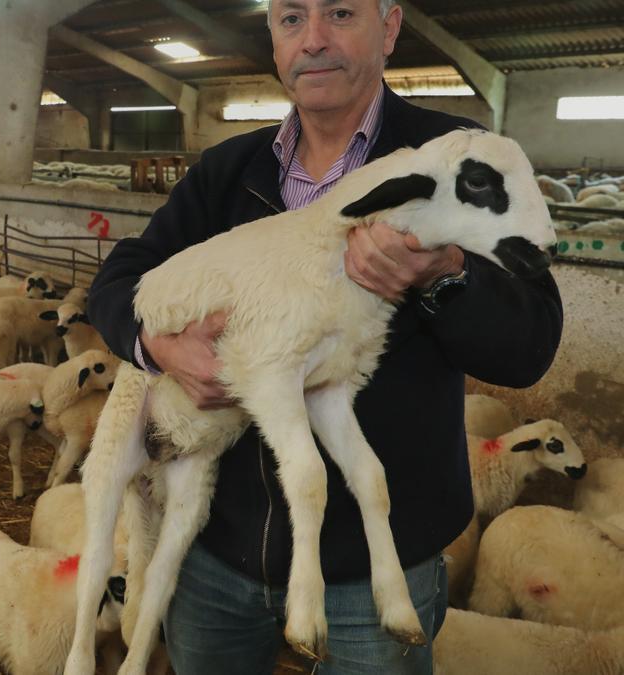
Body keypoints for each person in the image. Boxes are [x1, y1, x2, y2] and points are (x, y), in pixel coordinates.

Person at [85, 0, 563, 673]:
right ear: (274, 41)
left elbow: (530, 342)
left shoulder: (457, 161)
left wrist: (445, 275)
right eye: (290, 19)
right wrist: (156, 345)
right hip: (218, 556)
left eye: (340, 13)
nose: (313, 40)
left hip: (375, 568)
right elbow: (118, 278)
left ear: (389, 26)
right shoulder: (230, 171)